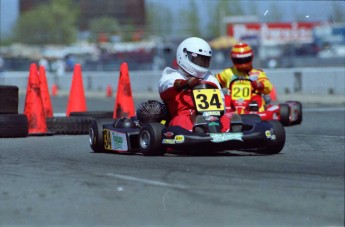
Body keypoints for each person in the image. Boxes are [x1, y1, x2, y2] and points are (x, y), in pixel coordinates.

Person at [158, 37, 240, 133]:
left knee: (226, 119)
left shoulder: (210, 78)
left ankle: (231, 131)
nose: (201, 64)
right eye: (198, 60)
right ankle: (197, 130)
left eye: (204, 61)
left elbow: (222, 105)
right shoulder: (171, 76)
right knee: (180, 121)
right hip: (186, 117)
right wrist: (185, 83)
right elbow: (165, 86)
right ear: (184, 55)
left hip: (212, 117)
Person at [216, 42, 273, 111]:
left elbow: (268, 86)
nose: (243, 63)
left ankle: (255, 114)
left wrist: (259, 85)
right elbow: (214, 82)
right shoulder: (228, 72)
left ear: (250, 58)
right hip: (232, 104)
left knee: (256, 99)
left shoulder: (258, 73)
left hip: (252, 103)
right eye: (239, 60)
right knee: (225, 99)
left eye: (245, 59)